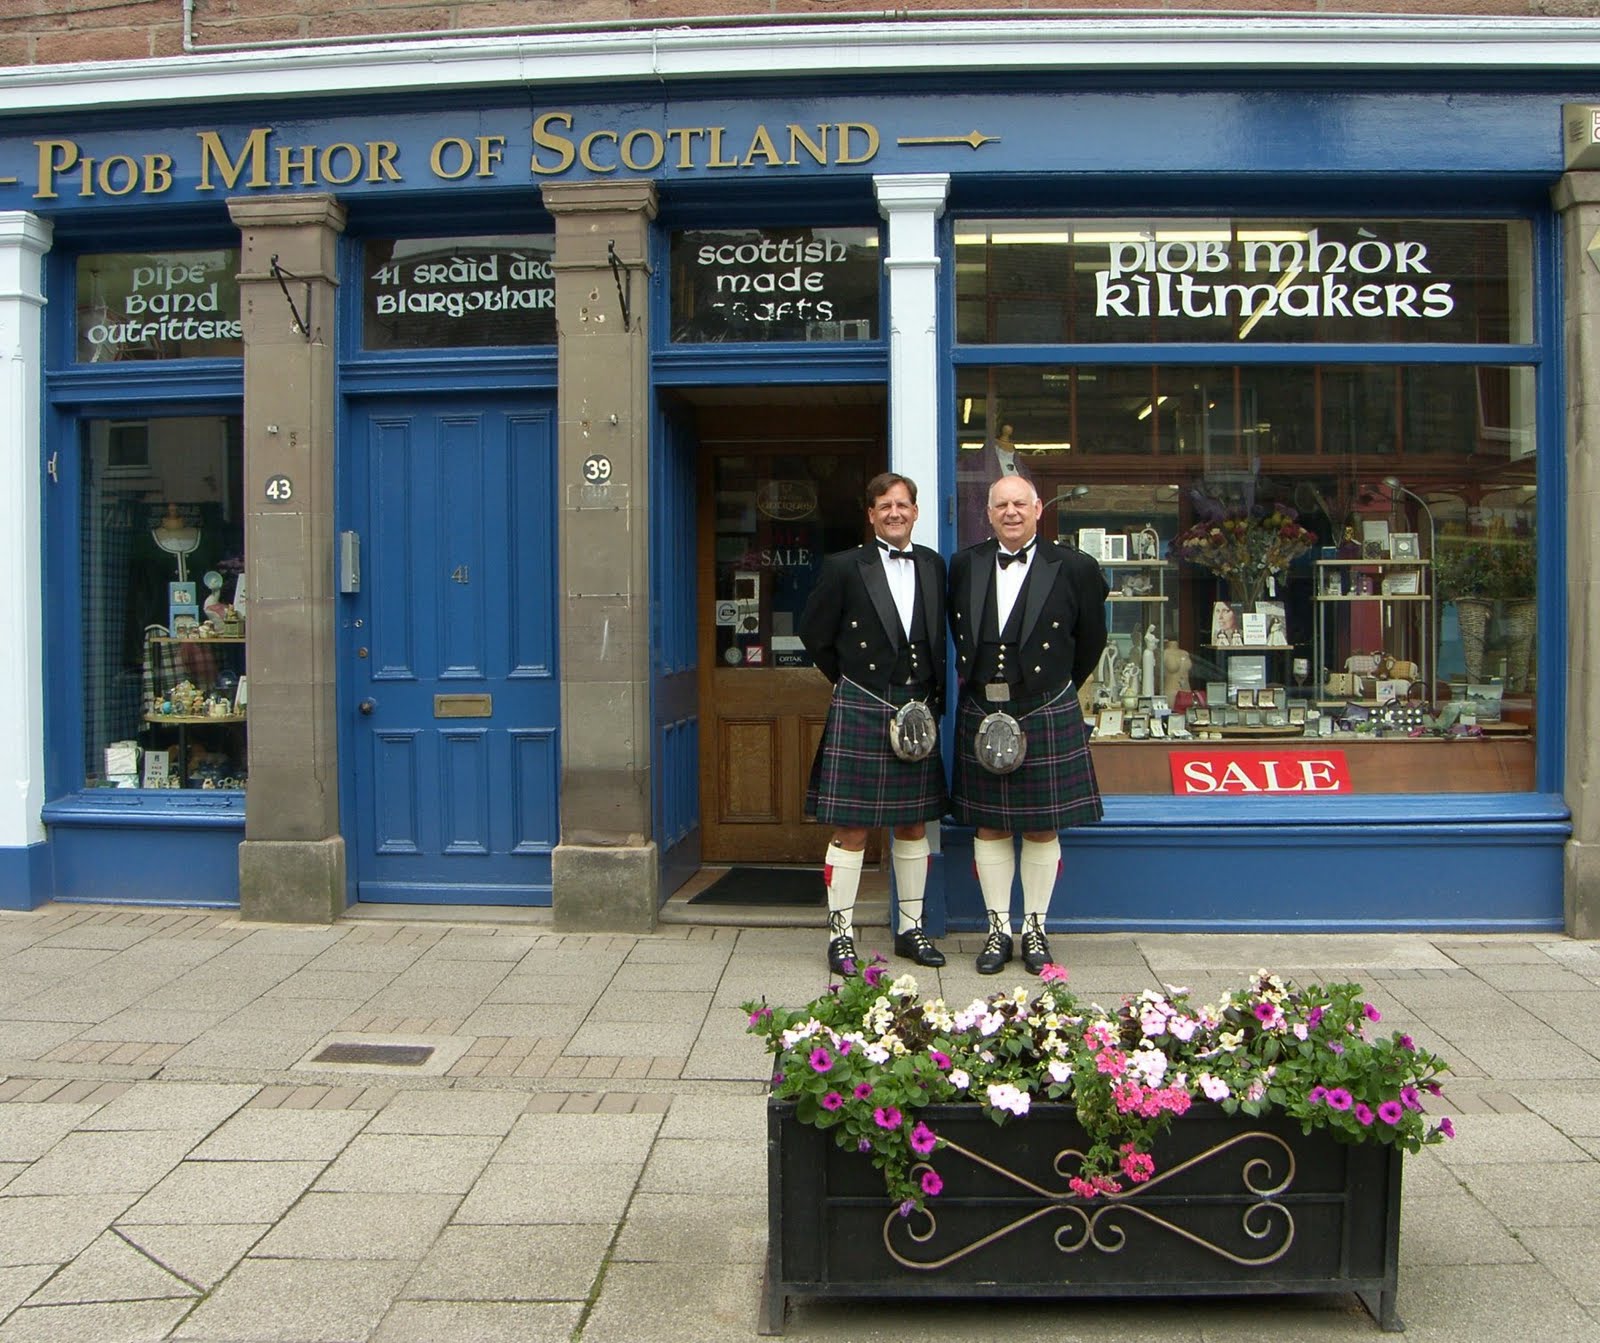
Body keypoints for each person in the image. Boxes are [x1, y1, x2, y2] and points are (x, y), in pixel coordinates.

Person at [947, 475, 1108, 975]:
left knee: (1042, 826)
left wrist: (1052, 691)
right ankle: (998, 930)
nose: (1011, 512)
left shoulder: (1076, 567)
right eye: (1001, 505)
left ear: (1038, 509)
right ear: (988, 513)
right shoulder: (964, 564)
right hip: (982, 707)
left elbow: (1091, 642)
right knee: (990, 824)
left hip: (1043, 706)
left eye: (1020, 503)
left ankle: (1035, 928)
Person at [800, 472, 949, 974]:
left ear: (915, 510)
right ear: (870, 514)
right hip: (864, 704)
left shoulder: (933, 565)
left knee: (912, 824)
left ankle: (911, 929)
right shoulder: (844, 567)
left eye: (902, 504)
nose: (894, 512)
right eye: (884, 505)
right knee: (853, 829)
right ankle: (840, 937)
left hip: (916, 708)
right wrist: (852, 686)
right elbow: (814, 633)